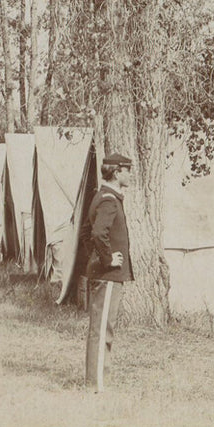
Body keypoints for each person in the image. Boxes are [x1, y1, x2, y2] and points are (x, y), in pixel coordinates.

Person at [86, 151, 134, 392]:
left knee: (102, 328)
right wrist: (106, 259)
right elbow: (96, 233)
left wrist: (96, 259)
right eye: (127, 170)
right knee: (103, 329)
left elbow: (87, 233)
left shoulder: (102, 196)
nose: (129, 175)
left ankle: (97, 382)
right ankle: (96, 386)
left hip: (104, 274)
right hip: (107, 276)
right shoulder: (108, 199)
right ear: (117, 173)